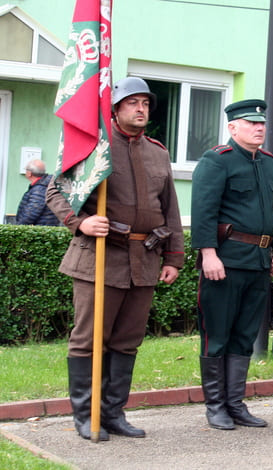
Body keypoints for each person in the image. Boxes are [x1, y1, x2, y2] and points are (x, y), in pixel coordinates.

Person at [46, 76, 185, 440]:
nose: (141, 109)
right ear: (116, 108)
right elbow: (55, 190)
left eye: (146, 104)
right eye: (132, 103)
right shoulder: (95, 147)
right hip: (99, 258)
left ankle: (113, 412)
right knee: (89, 338)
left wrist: (174, 257)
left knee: (127, 340)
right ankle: (85, 414)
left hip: (145, 260)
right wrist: (81, 222)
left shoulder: (158, 152)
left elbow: (169, 209)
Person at [191, 99, 273, 430]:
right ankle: (215, 406)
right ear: (233, 128)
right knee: (217, 334)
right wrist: (208, 254)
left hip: (258, 261)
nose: (259, 128)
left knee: (245, 335)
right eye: (251, 123)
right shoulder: (217, 161)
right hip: (225, 260)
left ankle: (235, 403)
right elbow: (204, 211)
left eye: (261, 124)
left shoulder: (270, 163)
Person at [16, 159, 59, 226]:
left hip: (41, 230)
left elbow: (30, 214)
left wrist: (18, 228)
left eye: (26, 170)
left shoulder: (39, 189)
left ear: (29, 173)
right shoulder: (44, 185)